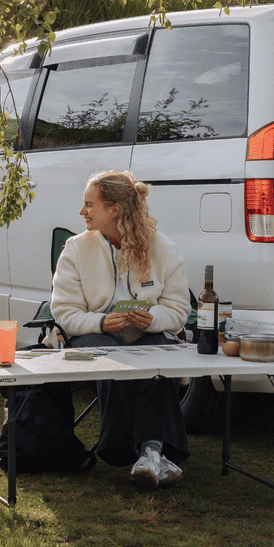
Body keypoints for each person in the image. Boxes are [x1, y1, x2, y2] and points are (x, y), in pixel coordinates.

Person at [51, 170, 192, 488]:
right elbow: (63, 312)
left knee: (157, 357)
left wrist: (153, 318)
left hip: (146, 335)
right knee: (111, 353)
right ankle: (144, 453)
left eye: (89, 204)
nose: (81, 212)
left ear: (114, 209)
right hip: (95, 335)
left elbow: (180, 310)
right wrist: (99, 321)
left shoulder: (162, 248)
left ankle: (151, 452)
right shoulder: (75, 249)